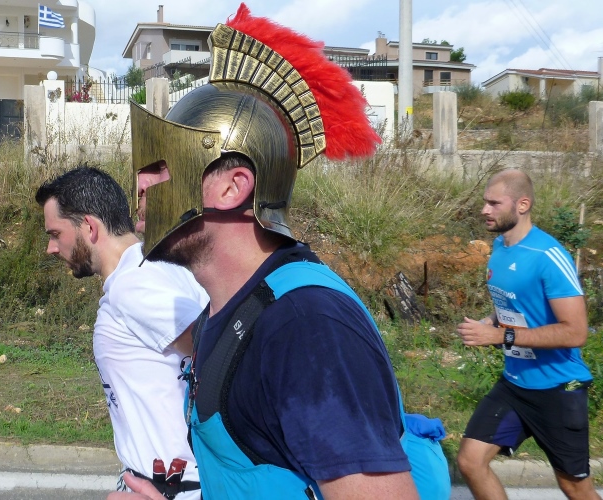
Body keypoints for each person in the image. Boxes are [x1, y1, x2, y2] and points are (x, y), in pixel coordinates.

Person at [112, 4, 423, 499]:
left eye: (162, 167)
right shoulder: (225, 312)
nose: (143, 183)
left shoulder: (306, 326)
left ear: (233, 187)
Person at [35, 166, 208, 500]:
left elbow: (219, 352)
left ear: (89, 227)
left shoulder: (133, 284)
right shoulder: (157, 266)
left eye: (55, 234)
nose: (51, 248)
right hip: (167, 484)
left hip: (170, 488)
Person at [457, 169, 598, 500]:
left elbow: (575, 332)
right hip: (515, 384)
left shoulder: (548, 256)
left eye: (494, 203)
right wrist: (491, 320)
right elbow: (514, 302)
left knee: (574, 486)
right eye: (484, 202)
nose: (484, 210)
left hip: (558, 388)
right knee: (470, 461)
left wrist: (500, 337)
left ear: (522, 205)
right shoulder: (500, 245)